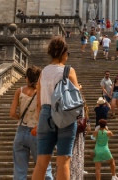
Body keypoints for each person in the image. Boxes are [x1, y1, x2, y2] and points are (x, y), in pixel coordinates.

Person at [32, 37, 81, 180]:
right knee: (63, 161)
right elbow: (77, 98)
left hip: (45, 114)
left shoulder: (43, 72)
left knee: (41, 162)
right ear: (63, 53)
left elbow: (39, 102)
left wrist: (38, 121)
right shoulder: (69, 71)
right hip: (65, 114)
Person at [11, 66, 53, 180]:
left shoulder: (19, 91)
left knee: (19, 171)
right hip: (37, 131)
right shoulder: (42, 92)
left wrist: (20, 117)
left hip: (21, 131)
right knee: (45, 168)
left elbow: (12, 113)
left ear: (27, 78)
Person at [70, 103, 90, 180]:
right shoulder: (84, 107)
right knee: (79, 151)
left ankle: (76, 168)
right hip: (81, 130)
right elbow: (87, 122)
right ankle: (79, 168)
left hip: (74, 129)